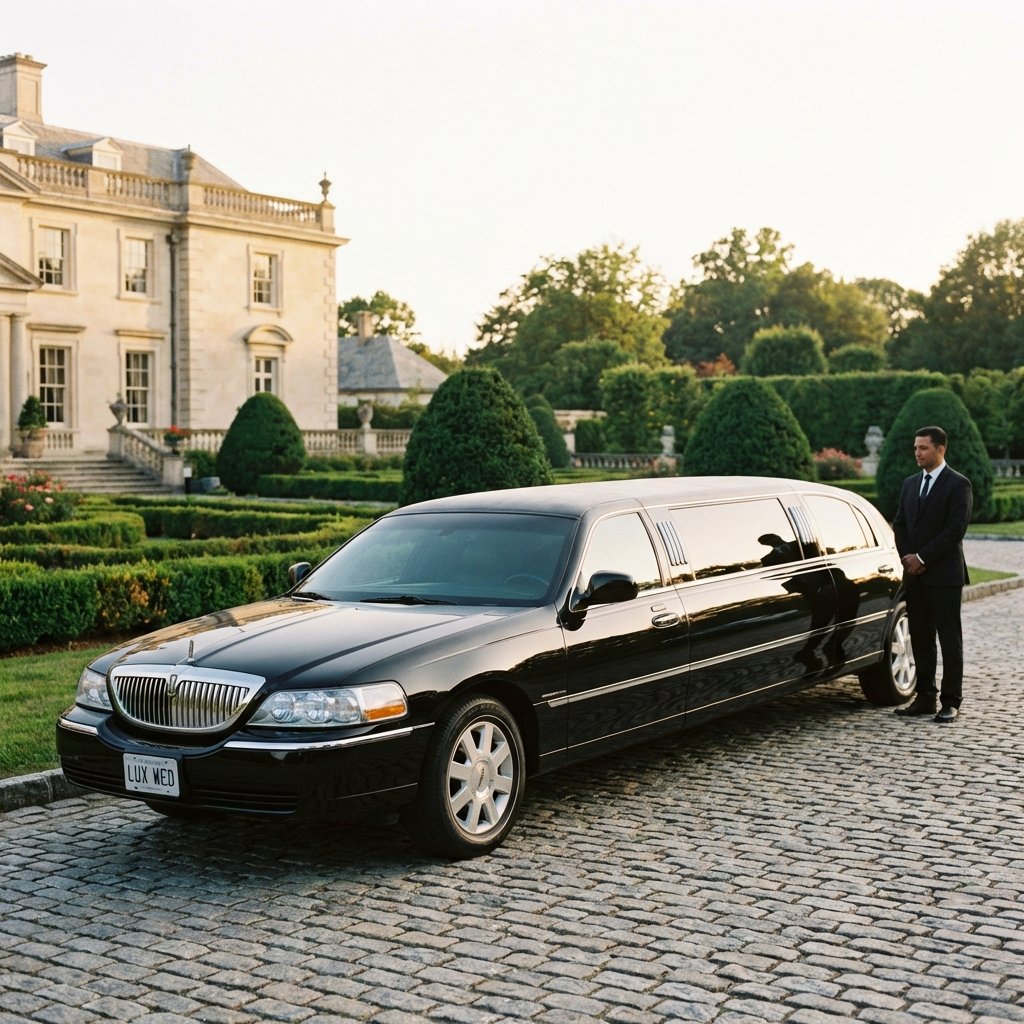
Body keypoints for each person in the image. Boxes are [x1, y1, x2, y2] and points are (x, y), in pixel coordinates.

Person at [892, 425, 973, 723]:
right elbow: (900, 524)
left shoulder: (958, 485)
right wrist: (907, 559)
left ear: (941, 449)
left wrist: (923, 557)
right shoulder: (910, 484)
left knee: (950, 640)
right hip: (915, 576)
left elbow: (955, 529)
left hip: (944, 577)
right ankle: (924, 697)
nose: (917, 452)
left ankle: (951, 701)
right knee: (921, 639)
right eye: (915, 447)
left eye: (923, 448)